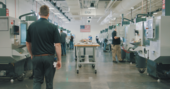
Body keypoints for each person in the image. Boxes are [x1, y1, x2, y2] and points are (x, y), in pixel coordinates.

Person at [26, 5, 62, 89]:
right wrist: (59, 60)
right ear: (48, 14)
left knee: (37, 80)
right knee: (49, 81)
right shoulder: (53, 27)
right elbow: (57, 45)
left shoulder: (32, 26)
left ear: (39, 13)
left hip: (36, 57)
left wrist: (32, 55)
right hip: (49, 58)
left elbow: (28, 43)